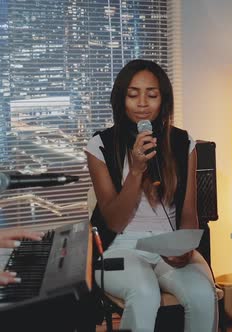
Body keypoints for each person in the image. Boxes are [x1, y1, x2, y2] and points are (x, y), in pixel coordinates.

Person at [85, 59, 218, 332]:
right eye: (133, 94)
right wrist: (135, 172)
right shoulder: (100, 145)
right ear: (121, 99)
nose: (142, 103)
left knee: (203, 295)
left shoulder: (183, 143)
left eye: (152, 95)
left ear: (164, 100)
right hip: (119, 247)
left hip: (168, 246)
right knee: (145, 293)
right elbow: (113, 221)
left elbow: (189, 214)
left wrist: (185, 247)